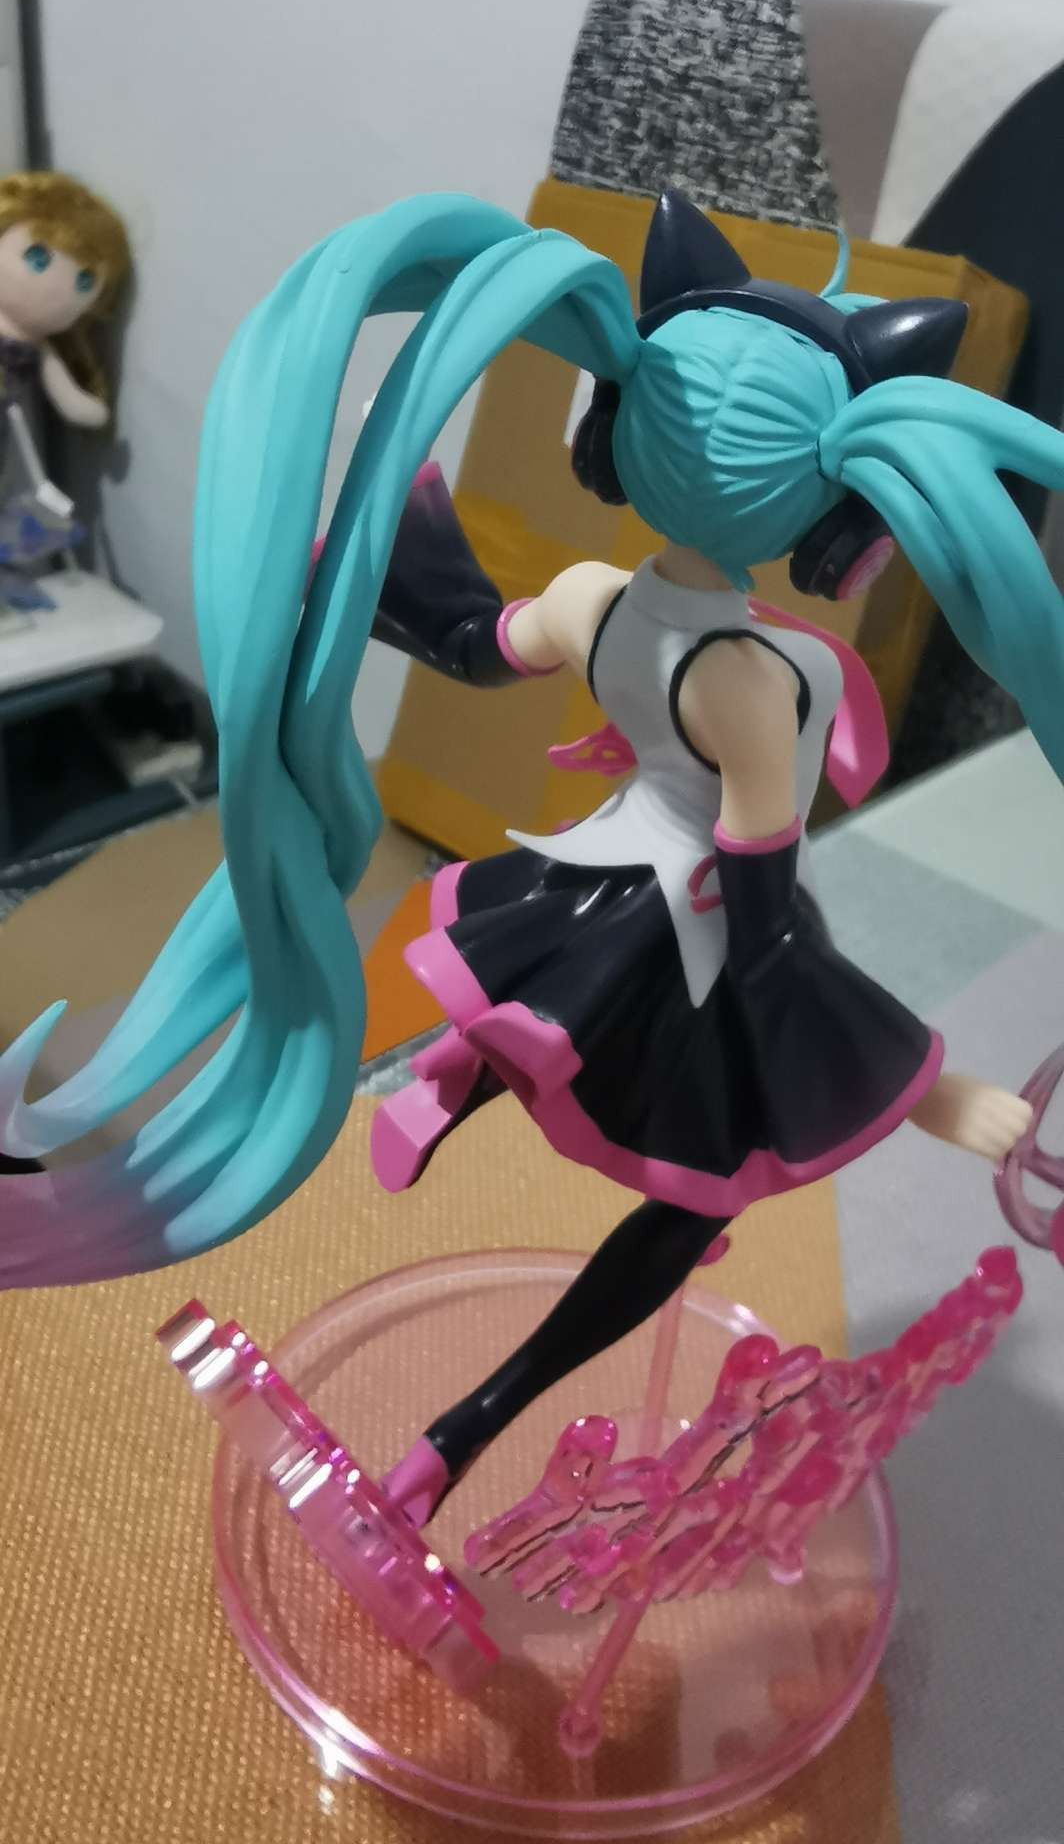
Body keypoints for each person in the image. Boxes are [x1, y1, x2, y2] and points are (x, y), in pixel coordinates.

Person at [1, 193, 1058, 1522]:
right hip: (679, 927)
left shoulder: (591, 600)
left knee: (567, 1043)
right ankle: (463, 1428)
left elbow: (465, 639)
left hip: (585, 879)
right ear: (841, 518)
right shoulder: (748, 683)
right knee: (699, 1200)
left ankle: (449, 1075)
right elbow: (768, 923)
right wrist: (925, 1089)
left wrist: (362, 571)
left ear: (614, 432)